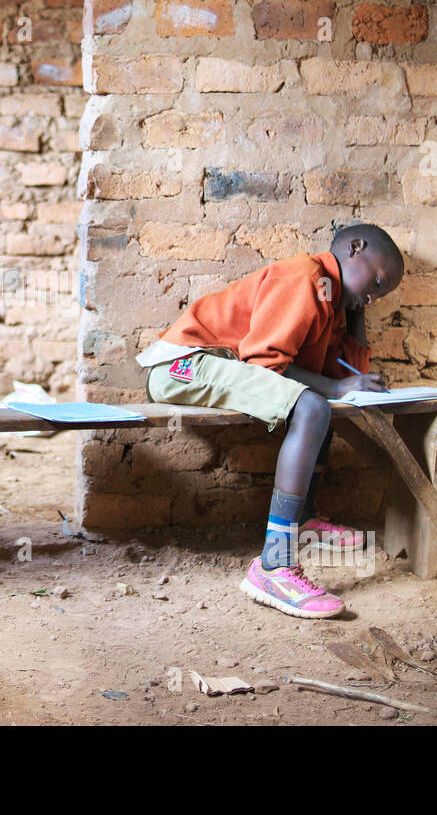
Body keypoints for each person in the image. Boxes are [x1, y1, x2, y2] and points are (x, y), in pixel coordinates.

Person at [137, 224, 404, 618]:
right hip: (184, 365)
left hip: (216, 365)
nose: (374, 296)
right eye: (378, 281)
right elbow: (264, 363)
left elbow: (347, 373)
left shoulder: (331, 302)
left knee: (323, 405)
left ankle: (304, 518)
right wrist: (336, 387)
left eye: (381, 295)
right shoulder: (304, 276)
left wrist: (357, 308)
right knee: (314, 406)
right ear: (355, 247)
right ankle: (274, 566)